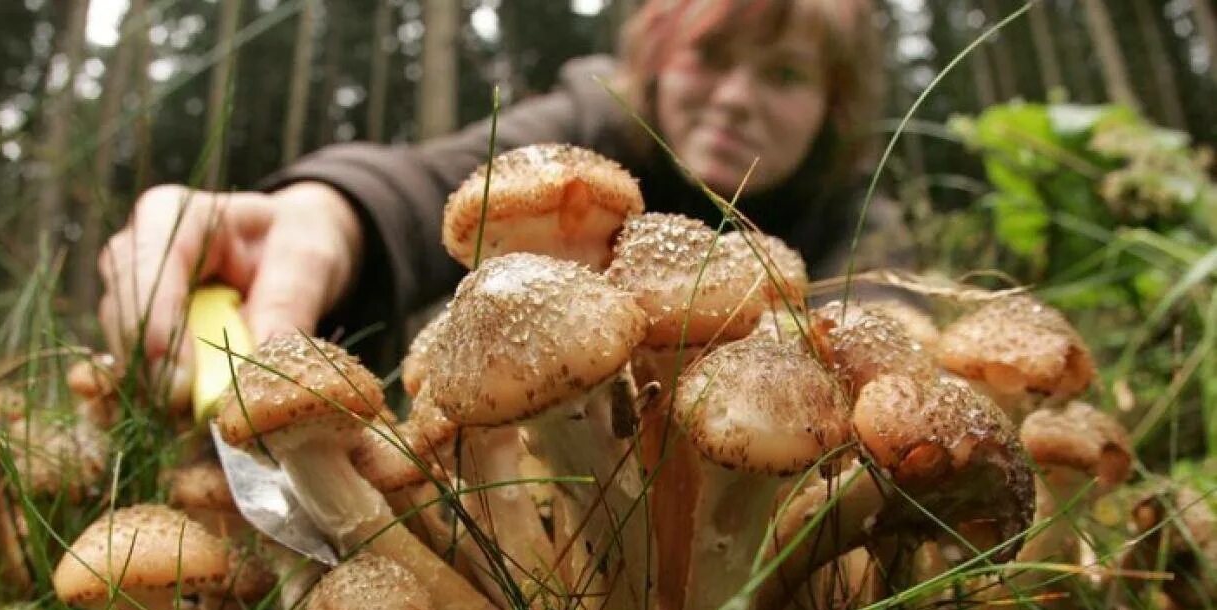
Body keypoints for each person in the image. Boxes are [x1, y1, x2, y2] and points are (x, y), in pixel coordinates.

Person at [98, 0, 895, 380]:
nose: (735, 98)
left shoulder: (858, 217)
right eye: (711, 56)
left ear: (835, 105)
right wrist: (327, 216)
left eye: (785, 73)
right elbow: (432, 184)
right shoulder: (590, 133)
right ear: (653, 61)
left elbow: (901, 331)